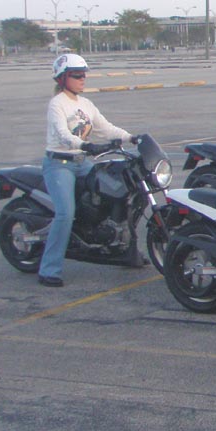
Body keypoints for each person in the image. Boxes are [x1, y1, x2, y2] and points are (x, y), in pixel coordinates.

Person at [39, 54, 135, 288]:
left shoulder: (85, 104)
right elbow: (63, 134)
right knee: (65, 213)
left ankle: (124, 250)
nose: (82, 79)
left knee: (115, 193)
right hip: (59, 164)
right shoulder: (57, 104)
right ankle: (49, 269)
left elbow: (105, 128)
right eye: (77, 75)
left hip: (82, 163)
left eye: (84, 74)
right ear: (62, 78)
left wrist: (132, 137)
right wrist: (85, 145)